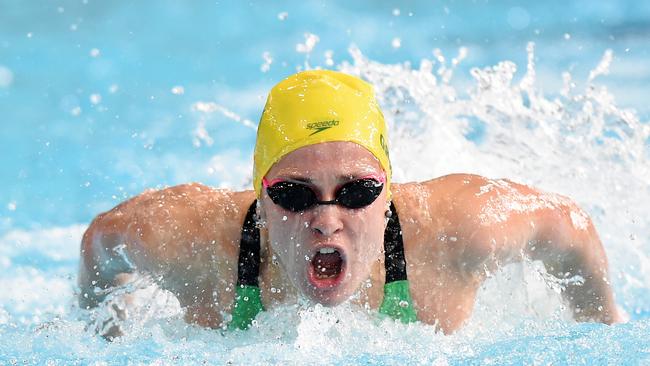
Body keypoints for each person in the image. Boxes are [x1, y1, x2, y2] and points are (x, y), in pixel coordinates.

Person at [78, 70, 621, 338]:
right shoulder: (183, 244)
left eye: (358, 192)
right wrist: (104, 330)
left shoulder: (464, 232)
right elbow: (100, 242)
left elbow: (569, 226)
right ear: (260, 198)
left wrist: (604, 324)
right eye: (294, 194)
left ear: (387, 193)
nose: (326, 222)